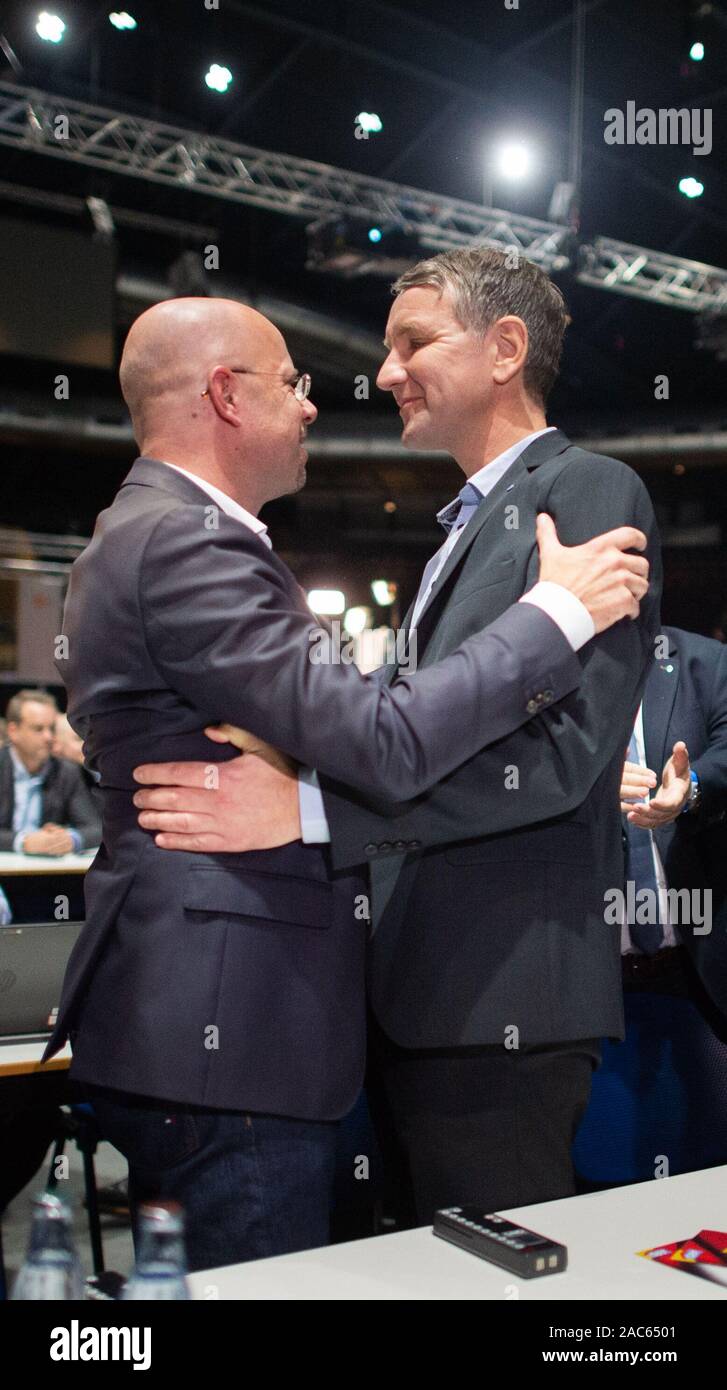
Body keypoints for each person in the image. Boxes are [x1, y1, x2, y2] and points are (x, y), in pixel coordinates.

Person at [42, 293, 649, 1271]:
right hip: (235, 1037)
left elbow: (513, 752)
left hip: (248, 1020)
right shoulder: (188, 542)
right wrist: (550, 614)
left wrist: (308, 800)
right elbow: (380, 739)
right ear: (224, 395)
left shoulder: (152, 532)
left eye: (413, 342)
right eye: (293, 380)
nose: (322, 401)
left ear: (506, 351)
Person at [574, 625, 727, 1184]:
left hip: (696, 976)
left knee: (706, 1170)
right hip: (584, 985)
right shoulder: (534, 668)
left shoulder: (701, 663)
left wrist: (688, 791)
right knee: (594, 1179)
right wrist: (586, 787)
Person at [0, 690, 101, 854]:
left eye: (51, 729)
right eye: (38, 729)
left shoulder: (67, 772)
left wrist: (70, 839)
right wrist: (23, 842)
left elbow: (96, 828)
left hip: (47, 872)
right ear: (13, 731)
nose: (48, 737)